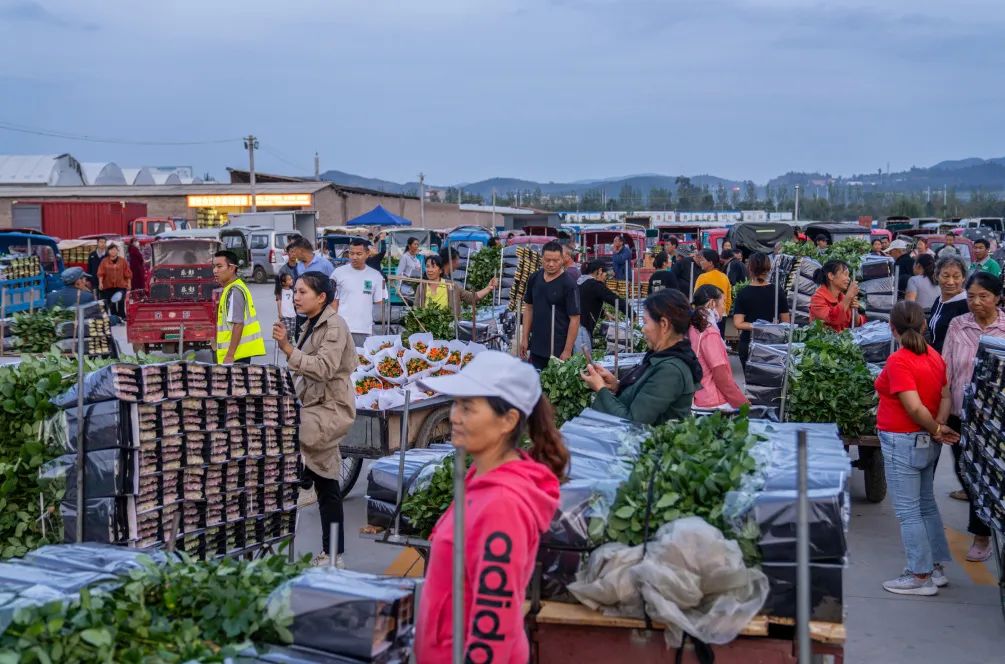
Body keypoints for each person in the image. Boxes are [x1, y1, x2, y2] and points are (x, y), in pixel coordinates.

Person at [414, 351, 567, 663]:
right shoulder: (479, 480)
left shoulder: (502, 504)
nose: (454, 416)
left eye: (468, 408)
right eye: (456, 403)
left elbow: (494, 624)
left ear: (508, 421)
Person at [271, 272, 356, 568]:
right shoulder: (312, 322)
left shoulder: (333, 325)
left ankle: (301, 479)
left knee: (289, 438)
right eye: (295, 291)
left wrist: (287, 349)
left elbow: (323, 367)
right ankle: (333, 555)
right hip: (312, 403)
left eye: (303, 292)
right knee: (328, 485)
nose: (296, 296)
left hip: (329, 409)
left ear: (321, 297)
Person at [875, 301, 957, 596]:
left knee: (909, 511)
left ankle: (919, 576)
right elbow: (945, 396)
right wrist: (938, 425)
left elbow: (912, 406)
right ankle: (934, 567)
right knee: (926, 505)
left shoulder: (900, 360)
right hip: (924, 441)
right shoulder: (934, 355)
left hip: (902, 440)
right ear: (924, 325)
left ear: (892, 329)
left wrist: (935, 428)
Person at [940, 272, 1005, 562]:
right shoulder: (958, 325)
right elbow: (946, 370)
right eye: (971, 296)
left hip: (996, 419)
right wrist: (941, 417)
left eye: (983, 296)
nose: (976, 302)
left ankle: (984, 532)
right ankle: (982, 530)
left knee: (992, 477)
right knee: (967, 474)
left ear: (997, 298)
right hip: (960, 415)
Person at [581, 288, 702, 424]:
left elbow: (632, 422)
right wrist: (617, 385)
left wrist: (600, 389)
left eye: (645, 322)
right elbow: (645, 394)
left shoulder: (670, 371)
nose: (642, 329)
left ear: (663, 324)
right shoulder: (662, 357)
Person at [520, 241, 581, 370]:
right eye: (547, 260)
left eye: (555, 260)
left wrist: (567, 350)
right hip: (536, 345)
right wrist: (525, 338)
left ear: (563, 259)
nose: (551, 264)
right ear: (542, 258)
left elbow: (575, 319)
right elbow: (529, 308)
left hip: (558, 348)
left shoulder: (569, 284)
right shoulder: (534, 278)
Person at [690, 285, 748, 410]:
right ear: (711, 303)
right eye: (722, 303)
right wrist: (742, 404)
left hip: (700, 396)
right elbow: (721, 375)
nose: (724, 309)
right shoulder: (709, 332)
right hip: (713, 402)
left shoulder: (693, 327)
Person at [733, 251, 790, 367]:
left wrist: (757, 326)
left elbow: (738, 323)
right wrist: (768, 327)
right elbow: (786, 322)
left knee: (751, 383)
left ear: (750, 268)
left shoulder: (743, 293)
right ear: (768, 268)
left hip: (749, 342)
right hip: (773, 344)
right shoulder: (778, 291)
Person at [332, 238, 389, 347]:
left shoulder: (376, 276)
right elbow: (334, 302)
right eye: (351, 253)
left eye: (359, 254)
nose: (354, 257)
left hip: (365, 330)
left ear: (367, 254)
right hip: (342, 329)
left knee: (361, 362)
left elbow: (380, 304)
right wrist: (333, 326)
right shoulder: (338, 273)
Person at [212, 250, 266, 364]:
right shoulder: (230, 288)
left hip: (235, 357)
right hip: (236, 355)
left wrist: (230, 355)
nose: (215, 270)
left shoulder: (234, 290)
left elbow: (238, 324)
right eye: (214, 266)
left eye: (219, 266)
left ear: (231, 268)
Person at [576, 260, 633, 353]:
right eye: (605, 275)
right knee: (585, 360)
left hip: (578, 326)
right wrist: (631, 313)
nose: (605, 279)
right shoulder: (594, 285)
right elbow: (613, 298)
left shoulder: (581, 281)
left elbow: (587, 302)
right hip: (581, 329)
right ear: (599, 271)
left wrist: (604, 313)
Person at [414, 255, 497, 317]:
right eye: (427, 266)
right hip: (426, 329)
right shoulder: (421, 287)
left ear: (440, 270)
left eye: (433, 267)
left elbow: (471, 297)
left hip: (448, 328)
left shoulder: (451, 286)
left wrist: (488, 288)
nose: (429, 270)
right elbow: (416, 310)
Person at [809, 259, 865, 332]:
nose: (848, 279)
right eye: (845, 274)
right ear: (831, 276)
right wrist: (848, 296)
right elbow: (832, 319)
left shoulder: (843, 298)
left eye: (848, 276)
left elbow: (856, 324)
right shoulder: (817, 298)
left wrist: (855, 309)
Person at [927, 256, 969, 353]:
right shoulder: (939, 300)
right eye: (946, 276)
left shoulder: (966, 305)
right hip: (935, 360)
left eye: (956, 276)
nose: (950, 282)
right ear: (937, 276)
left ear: (963, 278)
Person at [97, 243, 132, 320]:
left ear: (117, 251)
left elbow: (127, 273)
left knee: (121, 301)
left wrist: (129, 284)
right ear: (108, 251)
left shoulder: (123, 261)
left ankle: (122, 316)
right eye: (111, 250)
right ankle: (115, 317)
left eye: (115, 250)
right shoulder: (104, 261)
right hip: (108, 285)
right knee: (111, 302)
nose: (113, 251)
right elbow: (100, 273)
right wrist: (100, 283)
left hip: (121, 285)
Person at [693, 249, 732, 319]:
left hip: (706, 315)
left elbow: (697, 297)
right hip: (722, 314)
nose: (700, 262)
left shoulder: (702, 277)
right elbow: (728, 298)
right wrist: (725, 312)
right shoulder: (724, 277)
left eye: (702, 260)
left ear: (710, 262)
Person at [278, 273, 297, 343]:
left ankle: (289, 343)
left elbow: (293, 302)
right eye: (289, 280)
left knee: (292, 330)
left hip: (292, 314)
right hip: (284, 314)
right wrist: (280, 313)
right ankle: (286, 343)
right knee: (287, 330)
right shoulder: (281, 291)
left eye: (291, 279)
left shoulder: (292, 291)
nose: (291, 280)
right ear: (283, 283)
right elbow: (279, 302)